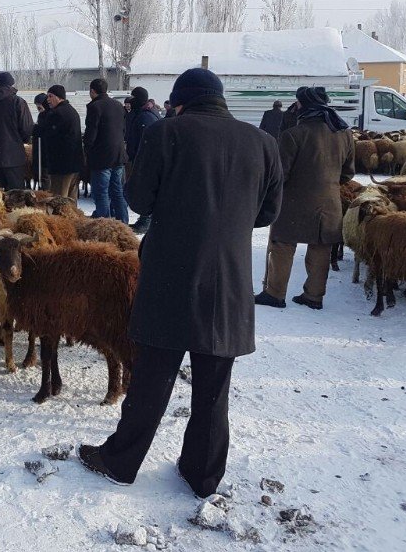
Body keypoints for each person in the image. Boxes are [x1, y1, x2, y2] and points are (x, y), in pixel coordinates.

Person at [78, 67, 283, 499]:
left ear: (180, 100)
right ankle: (202, 474)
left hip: (171, 275)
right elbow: (266, 214)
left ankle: (121, 461)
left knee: (152, 379)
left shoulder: (166, 134)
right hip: (228, 282)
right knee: (213, 389)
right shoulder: (263, 144)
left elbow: (138, 201)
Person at [256, 87, 355, 311]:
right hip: (329, 204)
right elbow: (348, 172)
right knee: (320, 249)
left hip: (293, 203)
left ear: (303, 105)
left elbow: (282, 173)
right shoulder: (344, 133)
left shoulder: (294, 134)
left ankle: (275, 293)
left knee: (282, 246)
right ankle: (314, 296)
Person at [83, 78, 128, 222]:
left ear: (92, 91)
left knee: (100, 193)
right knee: (117, 192)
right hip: (119, 154)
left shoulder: (94, 107)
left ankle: (104, 225)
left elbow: (91, 134)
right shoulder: (118, 105)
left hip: (102, 157)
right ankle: (123, 223)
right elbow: (124, 129)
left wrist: (87, 150)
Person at [124, 86, 162, 234]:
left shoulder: (146, 116)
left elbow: (144, 140)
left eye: (133, 98)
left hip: (144, 159)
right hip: (142, 157)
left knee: (145, 188)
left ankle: (146, 220)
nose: (130, 101)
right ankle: (145, 219)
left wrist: (139, 156)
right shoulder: (146, 113)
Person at [40, 85, 83, 199]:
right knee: (71, 199)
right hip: (74, 164)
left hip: (61, 165)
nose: (47, 99)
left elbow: (48, 135)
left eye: (50, 96)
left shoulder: (57, 114)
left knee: (58, 199)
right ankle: (74, 217)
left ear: (59, 97)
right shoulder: (72, 110)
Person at [31, 92, 51, 191]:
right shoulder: (42, 115)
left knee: (45, 177)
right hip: (41, 153)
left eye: (39, 105)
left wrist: (35, 128)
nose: (38, 107)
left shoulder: (47, 115)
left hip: (44, 153)